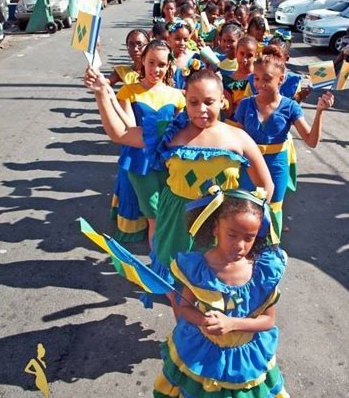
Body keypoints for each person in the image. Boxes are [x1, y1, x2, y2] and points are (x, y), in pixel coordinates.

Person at [84, 66, 274, 301]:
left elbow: (266, 185)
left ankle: (207, 332)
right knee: (175, 283)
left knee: (213, 287)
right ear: (185, 99)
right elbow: (120, 133)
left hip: (219, 226)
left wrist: (247, 226)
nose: (201, 110)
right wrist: (102, 92)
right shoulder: (169, 133)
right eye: (193, 102)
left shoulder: (238, 137)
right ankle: (183, 328)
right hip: (176, 222)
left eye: (209, 101)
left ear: (223, 100)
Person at [153, 187, 297, 398]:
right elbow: (184, 309)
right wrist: (201, 319)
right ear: (215, 225)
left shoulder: (263, 270)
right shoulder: (195, 267)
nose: (240, 245)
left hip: (247, 360)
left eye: (249, 238)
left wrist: (232, 324)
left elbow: (267, 321)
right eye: (233, 235)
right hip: (206, 356)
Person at [235, 48, 334, 236]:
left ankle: (269, 258)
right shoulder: (245, 104)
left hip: (276, 167)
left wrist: (320, 111)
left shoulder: (290, 107)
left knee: (271, 211)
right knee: (246, 211)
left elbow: (311, 141)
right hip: (249, 166)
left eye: (266, 78)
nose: (259, 84)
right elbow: (237, 139)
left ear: (281, 79)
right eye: (256, 78)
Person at [113, 40, 185, 248]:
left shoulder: (176, 95)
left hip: (167, 163)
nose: (156, 69)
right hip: (139, 160)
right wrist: (107, 98)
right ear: (142, 61)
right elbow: (128, 127)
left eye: (162, 64)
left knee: (165, 212)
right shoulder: (129, 91)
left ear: (168, 66)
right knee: (153, 214)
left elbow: (180, 133)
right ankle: (158, 262)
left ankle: (163, 258)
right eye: (151, 62)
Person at [106, 29, 150, 242]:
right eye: (131, 44)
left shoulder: (158, 72)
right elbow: (104, 87)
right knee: (129, 178)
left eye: (140, 44)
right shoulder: (123, 72)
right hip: (131, 133)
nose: (135, 49)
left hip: (155, 135)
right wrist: (95, 78)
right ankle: (132, 225)